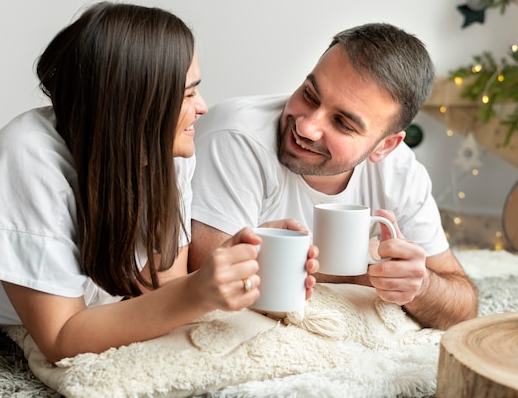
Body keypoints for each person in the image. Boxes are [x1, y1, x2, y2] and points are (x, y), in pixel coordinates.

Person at [0, 2, 319, 363]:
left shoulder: (169, 149)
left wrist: (225, 267)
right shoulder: (26, 161)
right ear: (136, 107)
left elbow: (158, 287)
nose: (203, 108)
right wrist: (197, 293)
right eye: (188, 95)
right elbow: (61, 339)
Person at [188, 22, 478, 330]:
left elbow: (464, 307)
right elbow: (205, 270)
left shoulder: (400, 171)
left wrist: (420, 286)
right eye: (310, 95)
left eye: (342, 123)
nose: (306, 127)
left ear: (385, 146)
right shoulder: (235, 135)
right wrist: (360, 270)